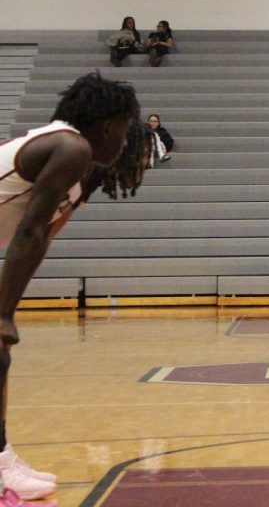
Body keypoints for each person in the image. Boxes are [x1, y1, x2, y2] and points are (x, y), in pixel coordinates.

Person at [0, 72, 146, 500]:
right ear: (106, 127)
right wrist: (3, 313)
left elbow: (42, 235)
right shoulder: (69, 146)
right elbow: (26, 232)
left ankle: (1, 458)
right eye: (122, 132)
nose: (123, 143)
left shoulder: (84, 170)